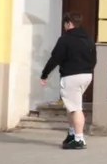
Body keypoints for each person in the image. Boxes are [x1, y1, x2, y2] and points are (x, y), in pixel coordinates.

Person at [40, 12, 97, 150]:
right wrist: (88, 69)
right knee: (71, 106)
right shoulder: (88, 38)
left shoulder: (65, 39)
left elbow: (55, 58)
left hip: (72, 76)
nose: (64, 27)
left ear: (69, 23)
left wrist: (44, 74)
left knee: (76, 108)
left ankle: (79, 139)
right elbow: (94, 58)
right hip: (87, 75)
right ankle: (72, 133)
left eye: (64, 24)